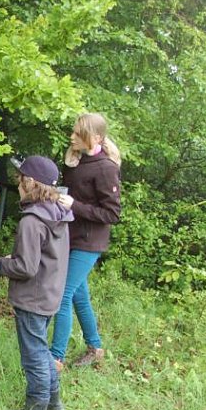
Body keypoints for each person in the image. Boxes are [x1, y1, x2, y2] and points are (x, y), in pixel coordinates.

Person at [0, 156, 73, 410]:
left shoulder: (32, 220)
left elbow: (26, 267)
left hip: (33, 297)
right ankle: (54, 404)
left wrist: (2, 264)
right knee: (41, 349)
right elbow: (45, 257)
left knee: (34, 355)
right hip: (50, 293)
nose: (17, 184)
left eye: (19, 180)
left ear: (29, 183)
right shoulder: (58, 213)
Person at [49, 113, 121, 370]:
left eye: (78, 133)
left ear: (95, 137)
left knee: (63, 294)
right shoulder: (75, 162)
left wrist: (75, 206)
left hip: (90, 242)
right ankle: (95, 346)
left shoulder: (106, 168)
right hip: (70, 236)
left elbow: (112, 214)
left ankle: (55, 358)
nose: (71, 137)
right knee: (79, 294)